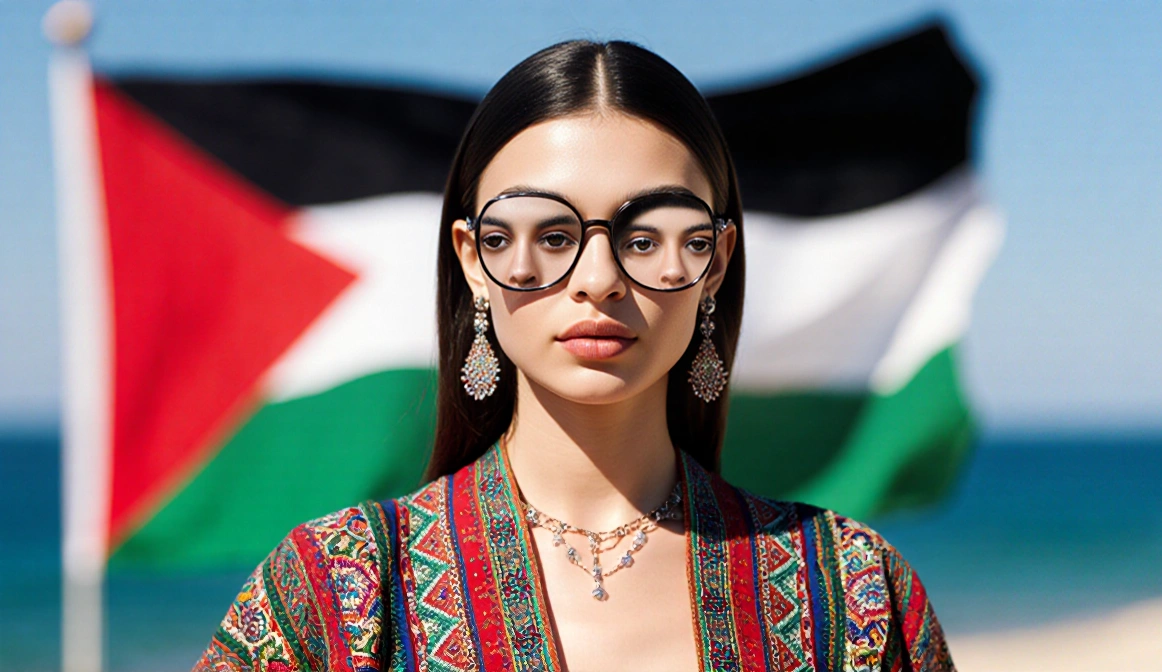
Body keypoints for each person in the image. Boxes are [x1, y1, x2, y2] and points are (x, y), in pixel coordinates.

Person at [194, 39, 954, 672]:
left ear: (715, 262)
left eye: (651, 234)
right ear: (472, 258)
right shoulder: (338, 590)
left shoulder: (854, 592)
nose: (598, 280)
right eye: (546, 233)